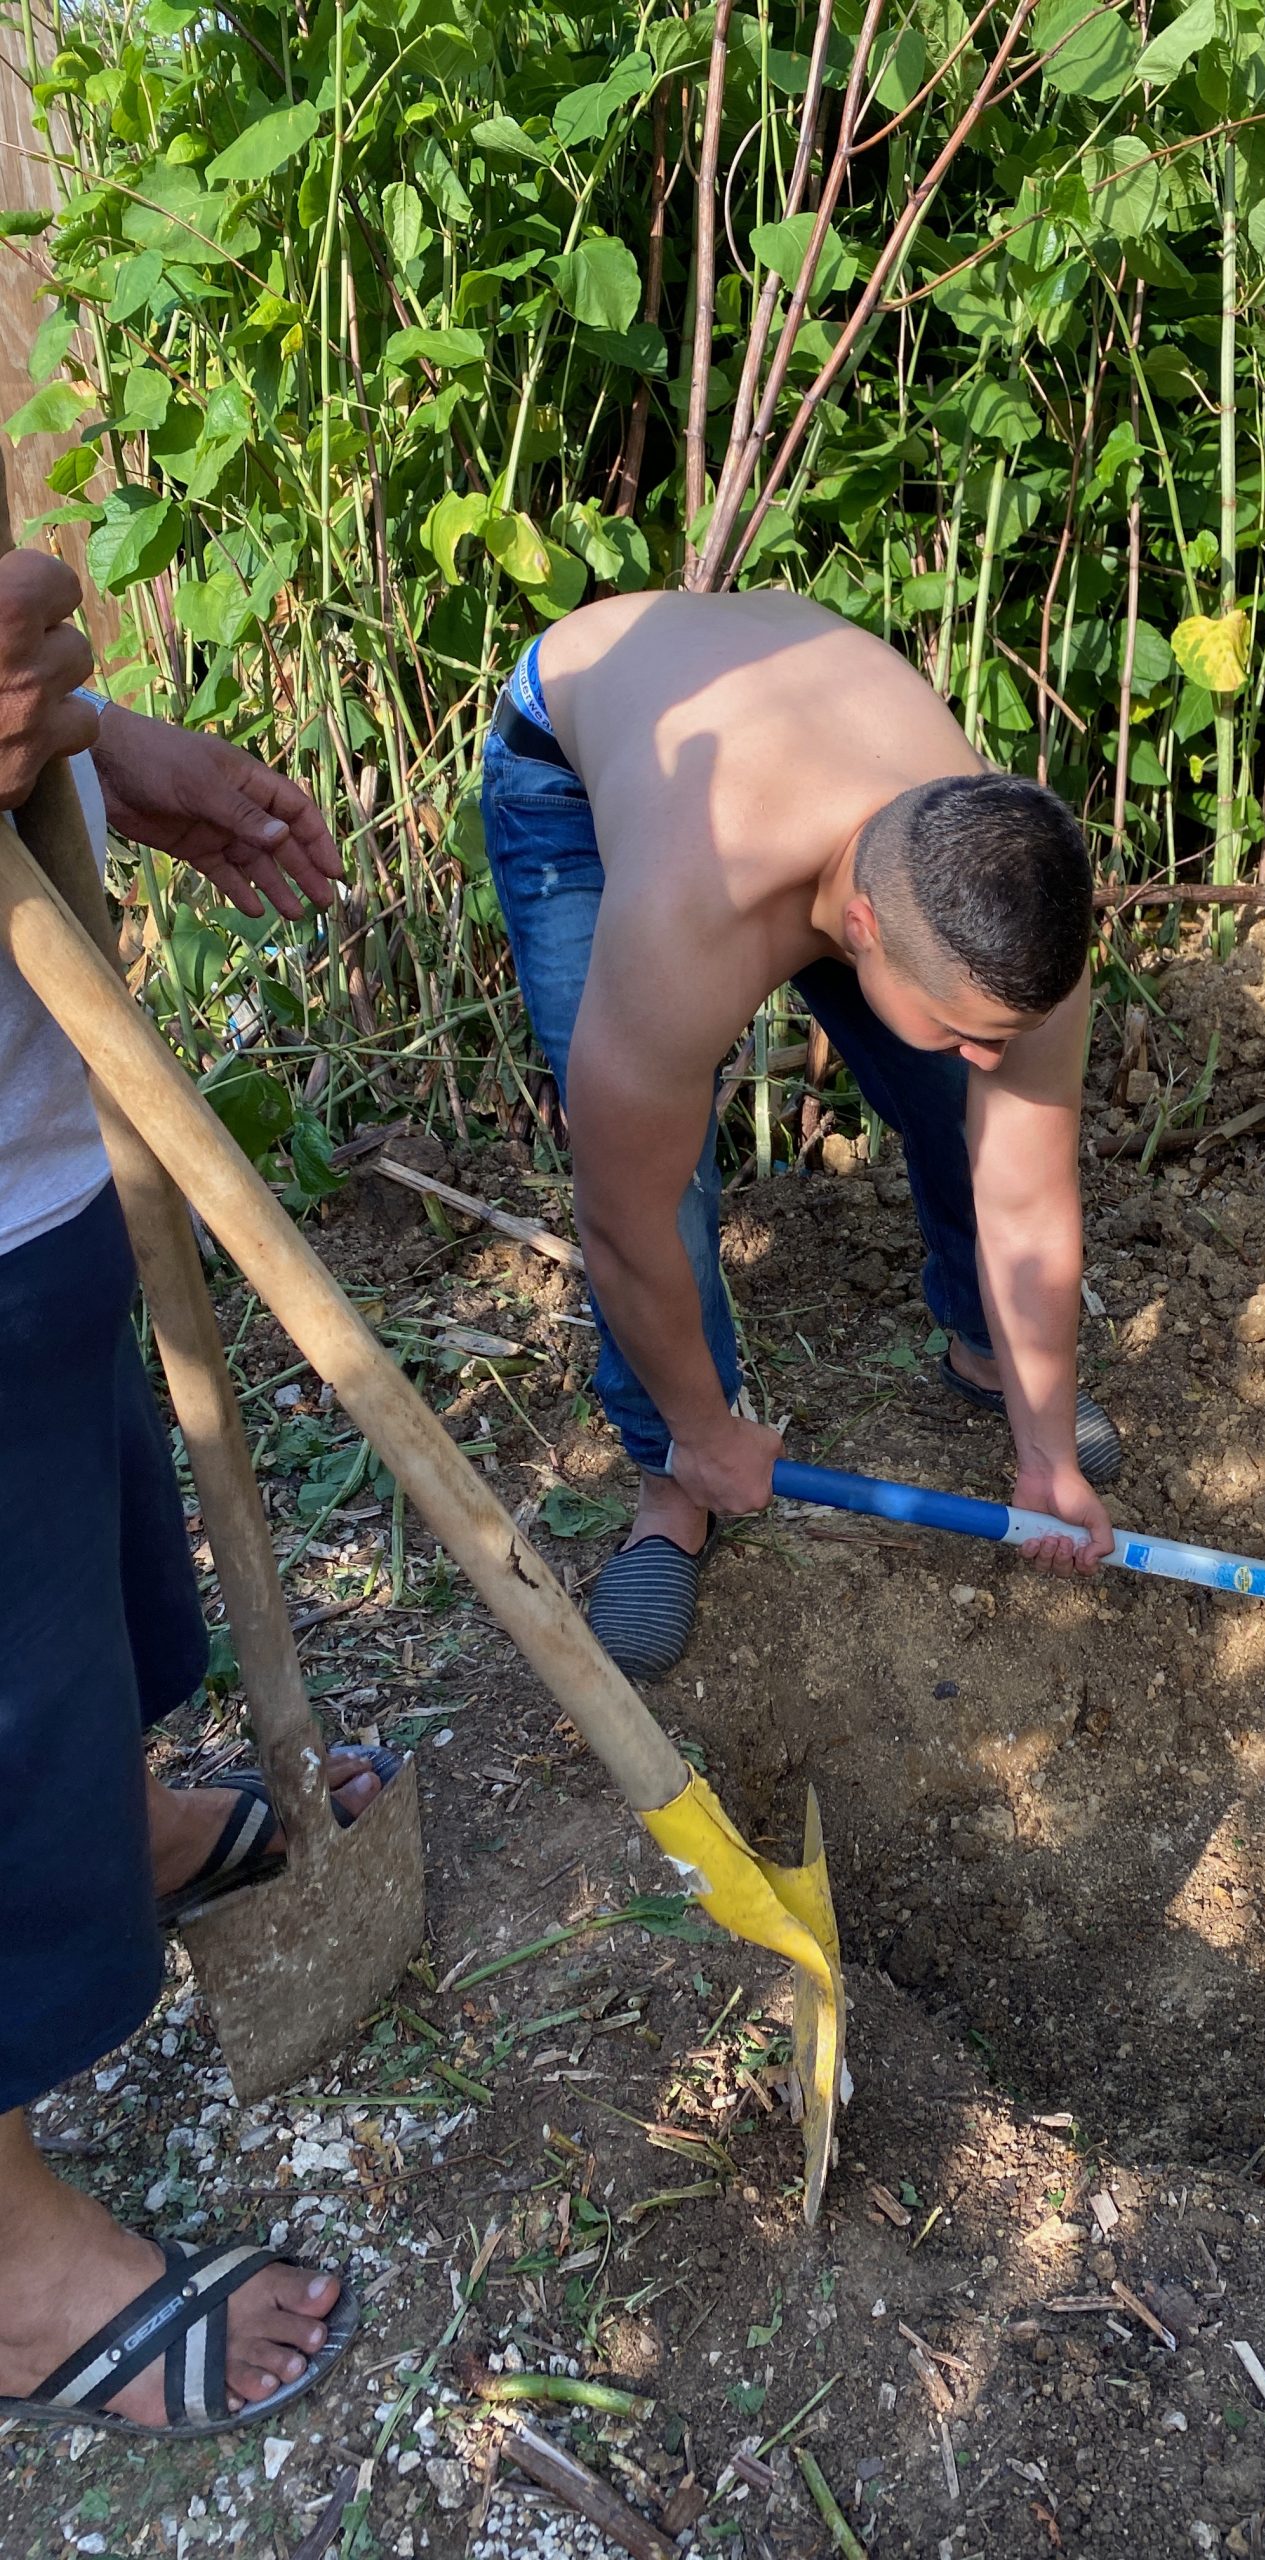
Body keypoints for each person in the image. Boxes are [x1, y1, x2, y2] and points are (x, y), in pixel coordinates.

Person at [0, 545, 393, 2434]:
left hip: (27, 1144)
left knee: (79, 1553)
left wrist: (79, 743)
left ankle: (124, 1824)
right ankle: (8, 2275)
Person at [482, 589, 1123, 1682]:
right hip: (579, 750)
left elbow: (1029, 1196)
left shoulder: (1018, 920)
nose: (991, 1055)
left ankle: (989, 1354)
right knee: (666, 1182)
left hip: (806, 728)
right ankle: (671, 1484)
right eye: (969, 1027)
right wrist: (706, 1428)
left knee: (952, 1098)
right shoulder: (687, 922)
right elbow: (625, 1223)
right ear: (861, 930)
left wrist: (1049, 1451)